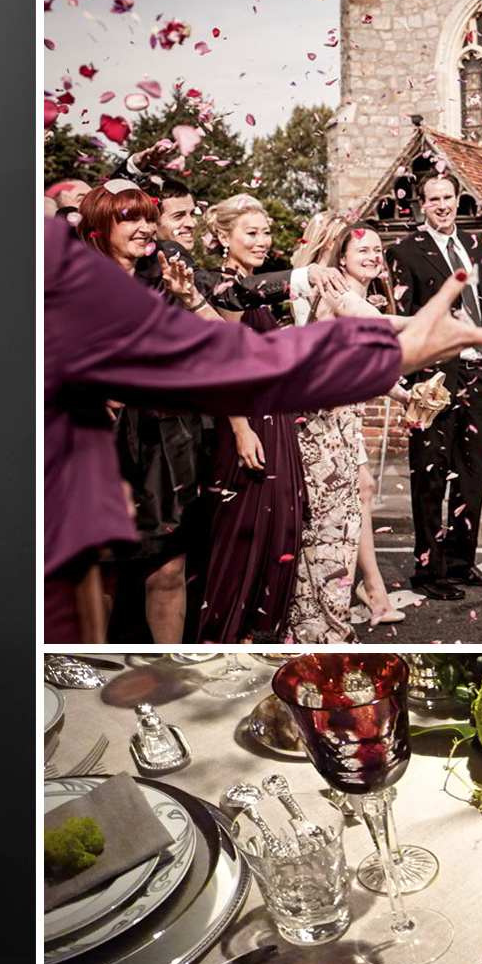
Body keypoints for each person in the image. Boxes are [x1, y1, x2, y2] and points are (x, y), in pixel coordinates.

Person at [45, 219, 482, 639]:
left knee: (319, 536)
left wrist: (406, 381)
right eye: (251, 232)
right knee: (300, 539)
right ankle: (304, 628)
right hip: (293, 429)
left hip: (320, 423)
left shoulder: (290, 292)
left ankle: (317, 624)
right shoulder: (290, 291)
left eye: (266, 232)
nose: (376, 256)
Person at [76, 185, 219, 643]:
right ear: (101, 227)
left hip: (168, 436)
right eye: (128, 219)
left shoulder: (163, 276)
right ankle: (87, 662)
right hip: (103, 441)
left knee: (169, 566)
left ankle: (169, 666)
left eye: (147, 218)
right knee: (106, 568)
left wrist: (189, 297)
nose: (143, 228)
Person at [287, 221, 406, 640]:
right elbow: (373, 324)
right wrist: (427, 323)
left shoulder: (352, 296)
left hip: (344, 427)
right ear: (342, 259)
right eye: (364, 250)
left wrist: (405, 398)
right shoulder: (338, 295)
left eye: (378, 250)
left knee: (339, 531)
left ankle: (321, 623)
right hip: (321, 430)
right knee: (328, 535)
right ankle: (323, 629)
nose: (374, 256)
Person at [196, 195, 308, 641]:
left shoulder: (253, 288)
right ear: (223, 238)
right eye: (251, 232)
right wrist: (241, 428)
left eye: (265, 232)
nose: (263, 241)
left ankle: (263, 636)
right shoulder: (223, 288)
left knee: (279, 533)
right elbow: (220, 366)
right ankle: (224, 637)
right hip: (245, 425)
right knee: (242, 537)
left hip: (276, 419)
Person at [388, 172, 482, 601]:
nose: (441, 205)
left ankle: (459, 560)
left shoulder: (477, 248)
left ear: (458, 200)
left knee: (472, 476)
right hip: (434, 379)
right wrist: (410, 380)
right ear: (422, 205)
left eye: (447, 197)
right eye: (433, 199)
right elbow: (403, 316)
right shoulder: (405, 251)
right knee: (431, 476)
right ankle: (429, 570)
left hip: (480, 377)